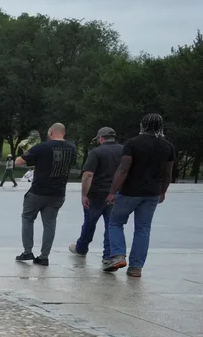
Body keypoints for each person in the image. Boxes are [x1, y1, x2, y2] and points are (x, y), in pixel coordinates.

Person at [104, 113, 176, 277]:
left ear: (142, 125)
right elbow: (167, 173)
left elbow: (123, 169)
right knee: (143, 229)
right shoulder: (168, 146)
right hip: (152, 193)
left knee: (115, 222)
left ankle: (118, 255)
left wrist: (112, 192)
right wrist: (162, 191)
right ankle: (136, 267)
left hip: (130, 191)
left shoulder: (133, 143)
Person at [14, 123, 76, 266]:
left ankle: (27, 251)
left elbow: (18, 162)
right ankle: (44, 256)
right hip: (58, 192)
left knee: (28, 218)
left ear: (50, 132)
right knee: (50, 223)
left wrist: (27, 151)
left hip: (38, 191)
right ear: (64, 133)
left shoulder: (42, 147)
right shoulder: (72, 148)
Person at [70, 127, 122, 261]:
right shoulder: (124, 151)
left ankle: (81, 248)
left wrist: (84, 194)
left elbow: (88, 175)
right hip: (116, 193)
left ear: (101, 138)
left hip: (97, 194)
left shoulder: (97, 152)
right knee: (111, 225)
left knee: (89, 222)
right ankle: (108, 256)